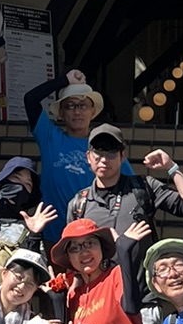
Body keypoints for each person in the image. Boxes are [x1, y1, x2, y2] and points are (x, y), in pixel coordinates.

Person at [45, 217, 159, 324]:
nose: (84, 252)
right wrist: (58, 300)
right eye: (75, 248)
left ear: (101, 248)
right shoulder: (74, 295)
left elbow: (131, 306)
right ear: (69, 258)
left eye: (90, 243)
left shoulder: (115, 275)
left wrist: (125, 254)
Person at [66, 123, 183, 234]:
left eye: (111, 152)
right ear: (88, 157)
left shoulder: (144, 186)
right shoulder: (79, 203)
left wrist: (171, 167)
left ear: (122, 156)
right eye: (98, 153)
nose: (104, 159)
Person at [24, 69, 115, 227]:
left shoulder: (106, 146)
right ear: (61, 113)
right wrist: (64, 80)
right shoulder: (50, 137)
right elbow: (30, 99)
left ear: (93, 111)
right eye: (70, 106)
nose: (77, 111)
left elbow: (128, 185)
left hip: (91, 232)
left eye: (83, 105)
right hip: (53, 231)